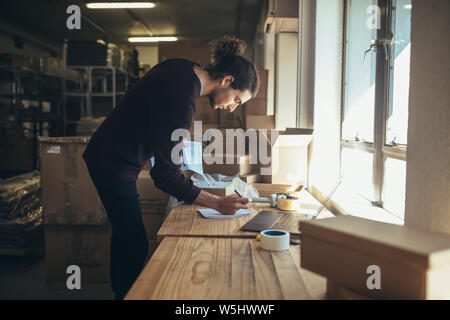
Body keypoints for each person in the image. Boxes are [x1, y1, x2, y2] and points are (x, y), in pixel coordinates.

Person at [82, 35, 260, 299]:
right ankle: (125, 295)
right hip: (113, 162)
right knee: (134, 242)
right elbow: (164, 176)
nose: (232, 107)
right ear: (227, 81)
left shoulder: (184, 68)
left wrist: (173, 136)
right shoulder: (183, 98)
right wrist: (217, 203)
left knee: (124, 234)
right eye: (236, 100)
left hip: (110, 152)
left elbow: (153, 111)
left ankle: (119, 292)